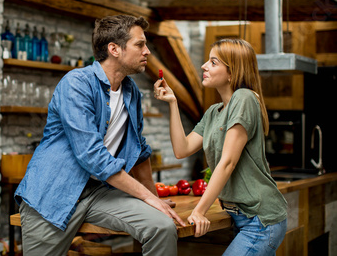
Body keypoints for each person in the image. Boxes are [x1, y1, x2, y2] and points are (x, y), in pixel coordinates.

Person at [15, 14, 186, 256]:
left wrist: (154, 200)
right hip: (54, 191)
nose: (147, 51)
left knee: (161, 226)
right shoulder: (77, 84)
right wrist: (147, 197)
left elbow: (139, 150)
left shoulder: (131, 91)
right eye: (140, 45)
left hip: (99, 192)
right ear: (114, 49)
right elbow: (92, 155)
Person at [154, 38, 287, 255]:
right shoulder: (214, 111)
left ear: (232, 73)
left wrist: (199, 211)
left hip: (261, 220)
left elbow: (227, 162)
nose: (204, 66)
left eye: (213, 62)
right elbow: (182, 149)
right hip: (241, 218)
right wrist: (173, 103)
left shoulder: (244, 99)